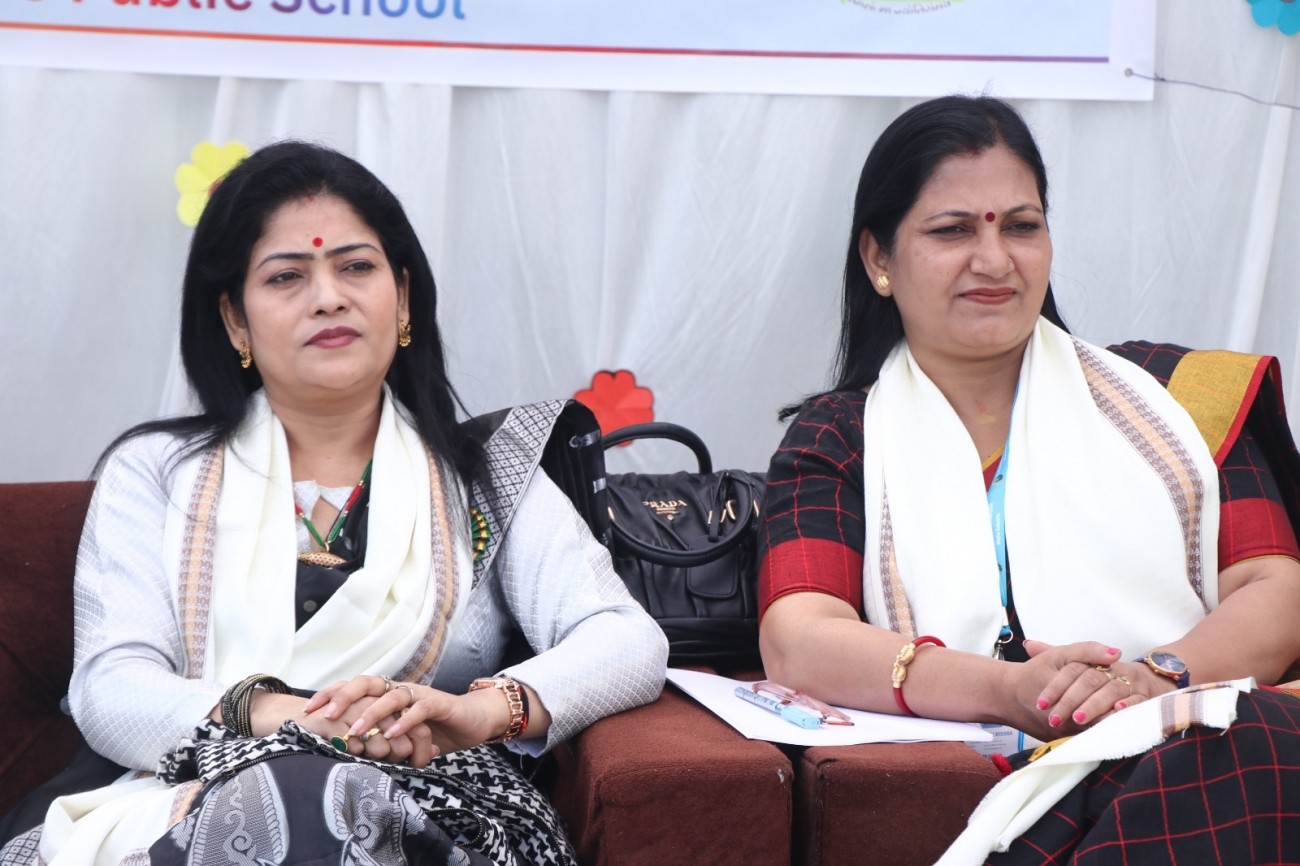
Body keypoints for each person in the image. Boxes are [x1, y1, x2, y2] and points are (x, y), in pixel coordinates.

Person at [0, 141, 667, 866]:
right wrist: (289, 722)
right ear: (234, 319)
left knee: (330, 803)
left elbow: (626, 638)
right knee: (288, 800)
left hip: (430, 805)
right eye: (286, 276)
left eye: (356, 267)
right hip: (187, 797)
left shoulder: (485, 474)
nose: (328, 297)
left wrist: (478, 712)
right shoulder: (157, 473)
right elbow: (111, 686)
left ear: (402, 297)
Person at [758, 95, 1300, 862]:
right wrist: (1010, 690)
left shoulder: (1178, 398)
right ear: (879, 258)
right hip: (1024, 766)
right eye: (952, 230)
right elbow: (799, 638)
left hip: (1193, 732)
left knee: (1232, 736)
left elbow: (1275, 587)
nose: (994, 260)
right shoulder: (839, 439)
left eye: (1020, 226)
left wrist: (1156, 680)